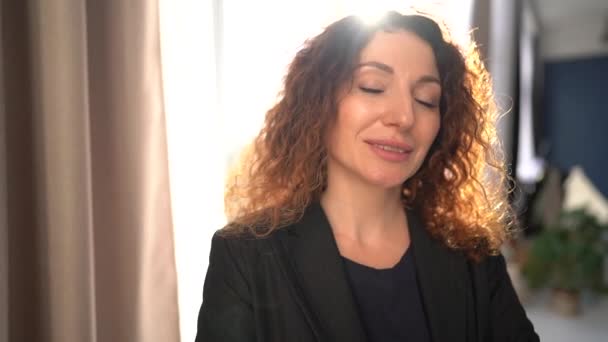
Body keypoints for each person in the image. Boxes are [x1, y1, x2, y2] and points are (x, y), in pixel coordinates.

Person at [195, 11, 539, 342]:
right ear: (318, 102)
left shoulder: (472, 254)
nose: (404, 116)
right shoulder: (244, 256)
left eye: (426, 99)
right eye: (373, 87)